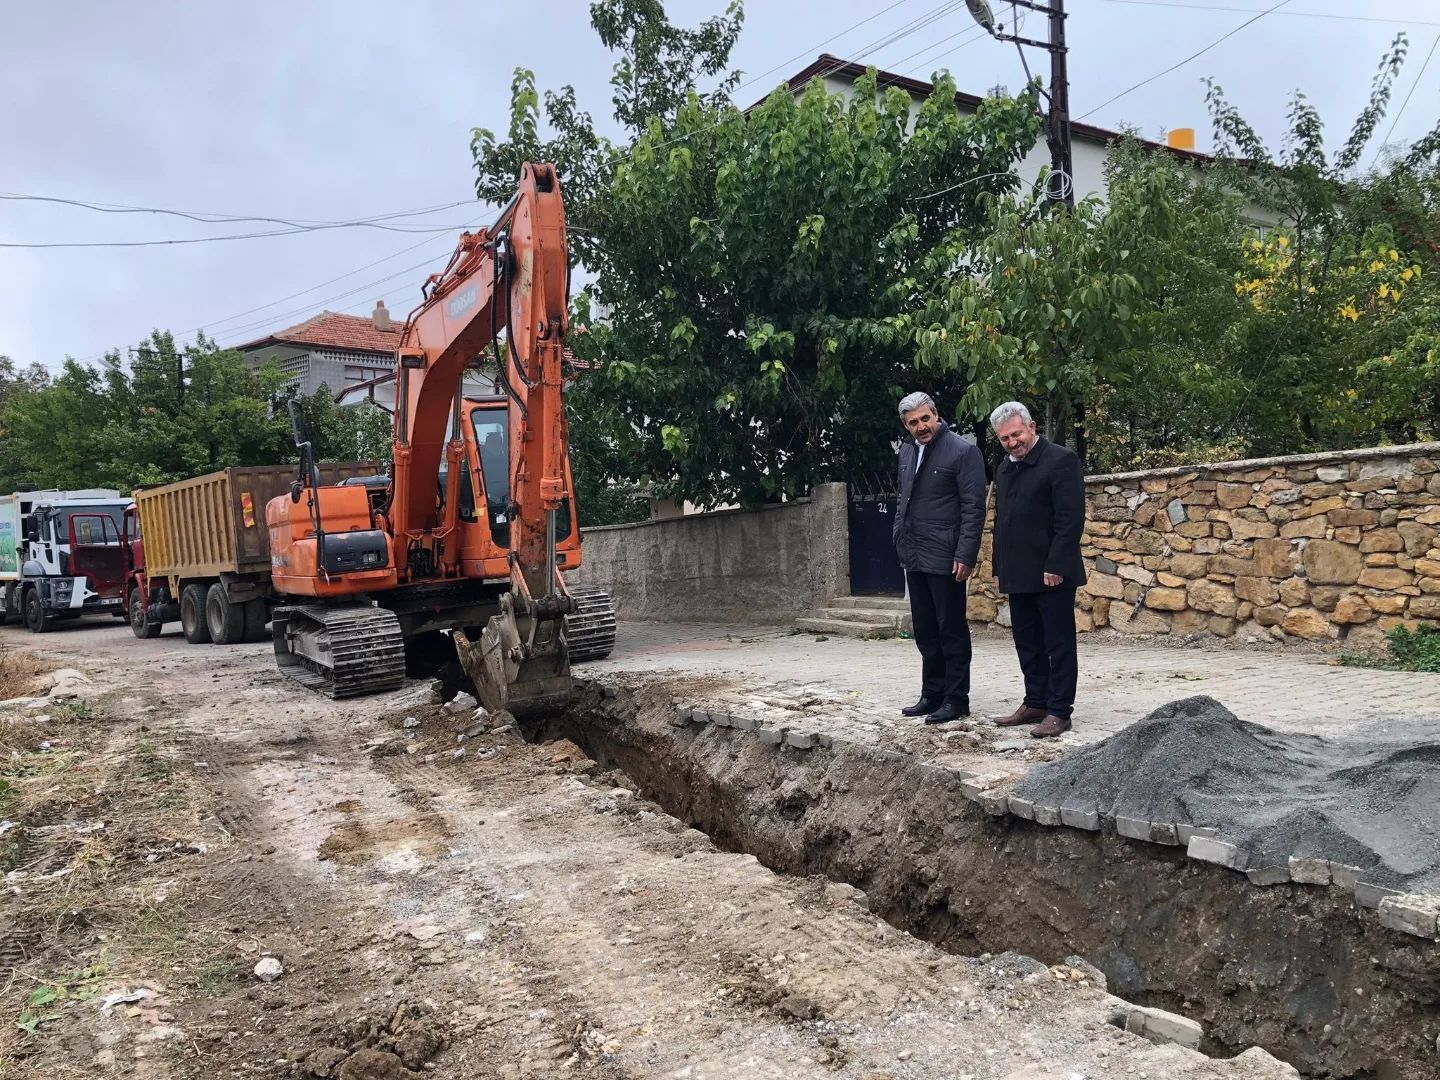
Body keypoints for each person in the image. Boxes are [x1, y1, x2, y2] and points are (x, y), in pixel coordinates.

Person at [989, 401, 1086, 738]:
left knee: (1057, 643)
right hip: (1018, 571)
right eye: (1004, 438)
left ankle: (1060, 711)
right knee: (1027, 642)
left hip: (1051, 572)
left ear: (1031, 427)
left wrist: (1057, 564)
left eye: (1016, 434)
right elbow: (1003, 521)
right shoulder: (1004, 468)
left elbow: (1070, 519)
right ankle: (1035, 701)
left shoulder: (1061, 460)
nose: (1012, 442)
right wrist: (998, 564)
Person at [891, 392, 987, 725]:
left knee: (951, 630)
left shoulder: (963, 452)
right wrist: (899, 537)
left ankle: (956, 698)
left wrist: (965, 553)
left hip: (947, 557)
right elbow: (904, 500)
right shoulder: (905, 452)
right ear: (906, 425)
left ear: (936, 414)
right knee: (925, 630)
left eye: (925, 418)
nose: (921, 426)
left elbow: (974, 508)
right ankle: (931, 694)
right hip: (914, 554)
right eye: (913, 422)